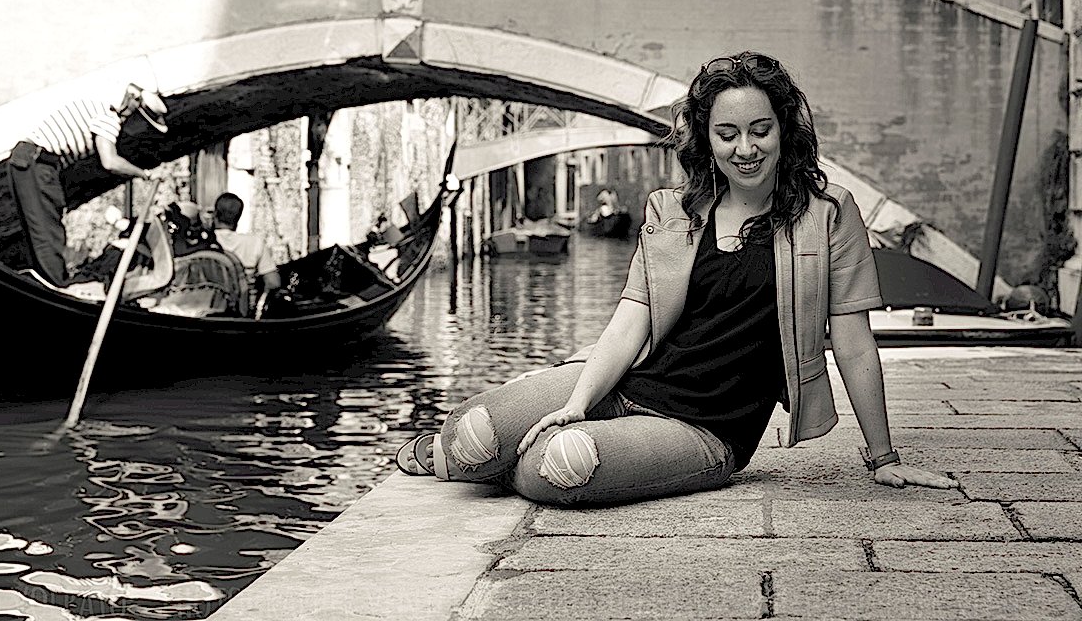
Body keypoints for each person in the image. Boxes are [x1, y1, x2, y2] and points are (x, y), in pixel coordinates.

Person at [395, 51, 958, 506]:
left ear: (784, 130)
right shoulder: (673, 211)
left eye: (760, 130)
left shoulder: (828, 213)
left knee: (557, 466)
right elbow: (629, 322)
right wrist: (581, 401)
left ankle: (509, 464)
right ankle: (484, 456)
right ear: (707, 141)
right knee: (472, 435)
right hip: (628, 385)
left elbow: (856, 345)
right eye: (728, 133)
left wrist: (884, 458)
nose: (746, 148)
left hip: (705, 429)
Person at [6, 82, 168, 287]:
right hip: (38, 164)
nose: (140, 132)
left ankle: (43, 281)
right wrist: (144, 174)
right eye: (145, 126)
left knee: (38, 230)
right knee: (48, 232)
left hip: (25, 160)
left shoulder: (100, 109)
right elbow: (110, 161)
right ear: (136, 115)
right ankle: (58, 287)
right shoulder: (110, 117)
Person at [211, 192, 282, 307]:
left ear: (215, 214)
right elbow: (273, 283)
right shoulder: (255, 242)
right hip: (244, 312)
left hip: (208, 310)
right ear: (238, 217)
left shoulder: (204, 242)